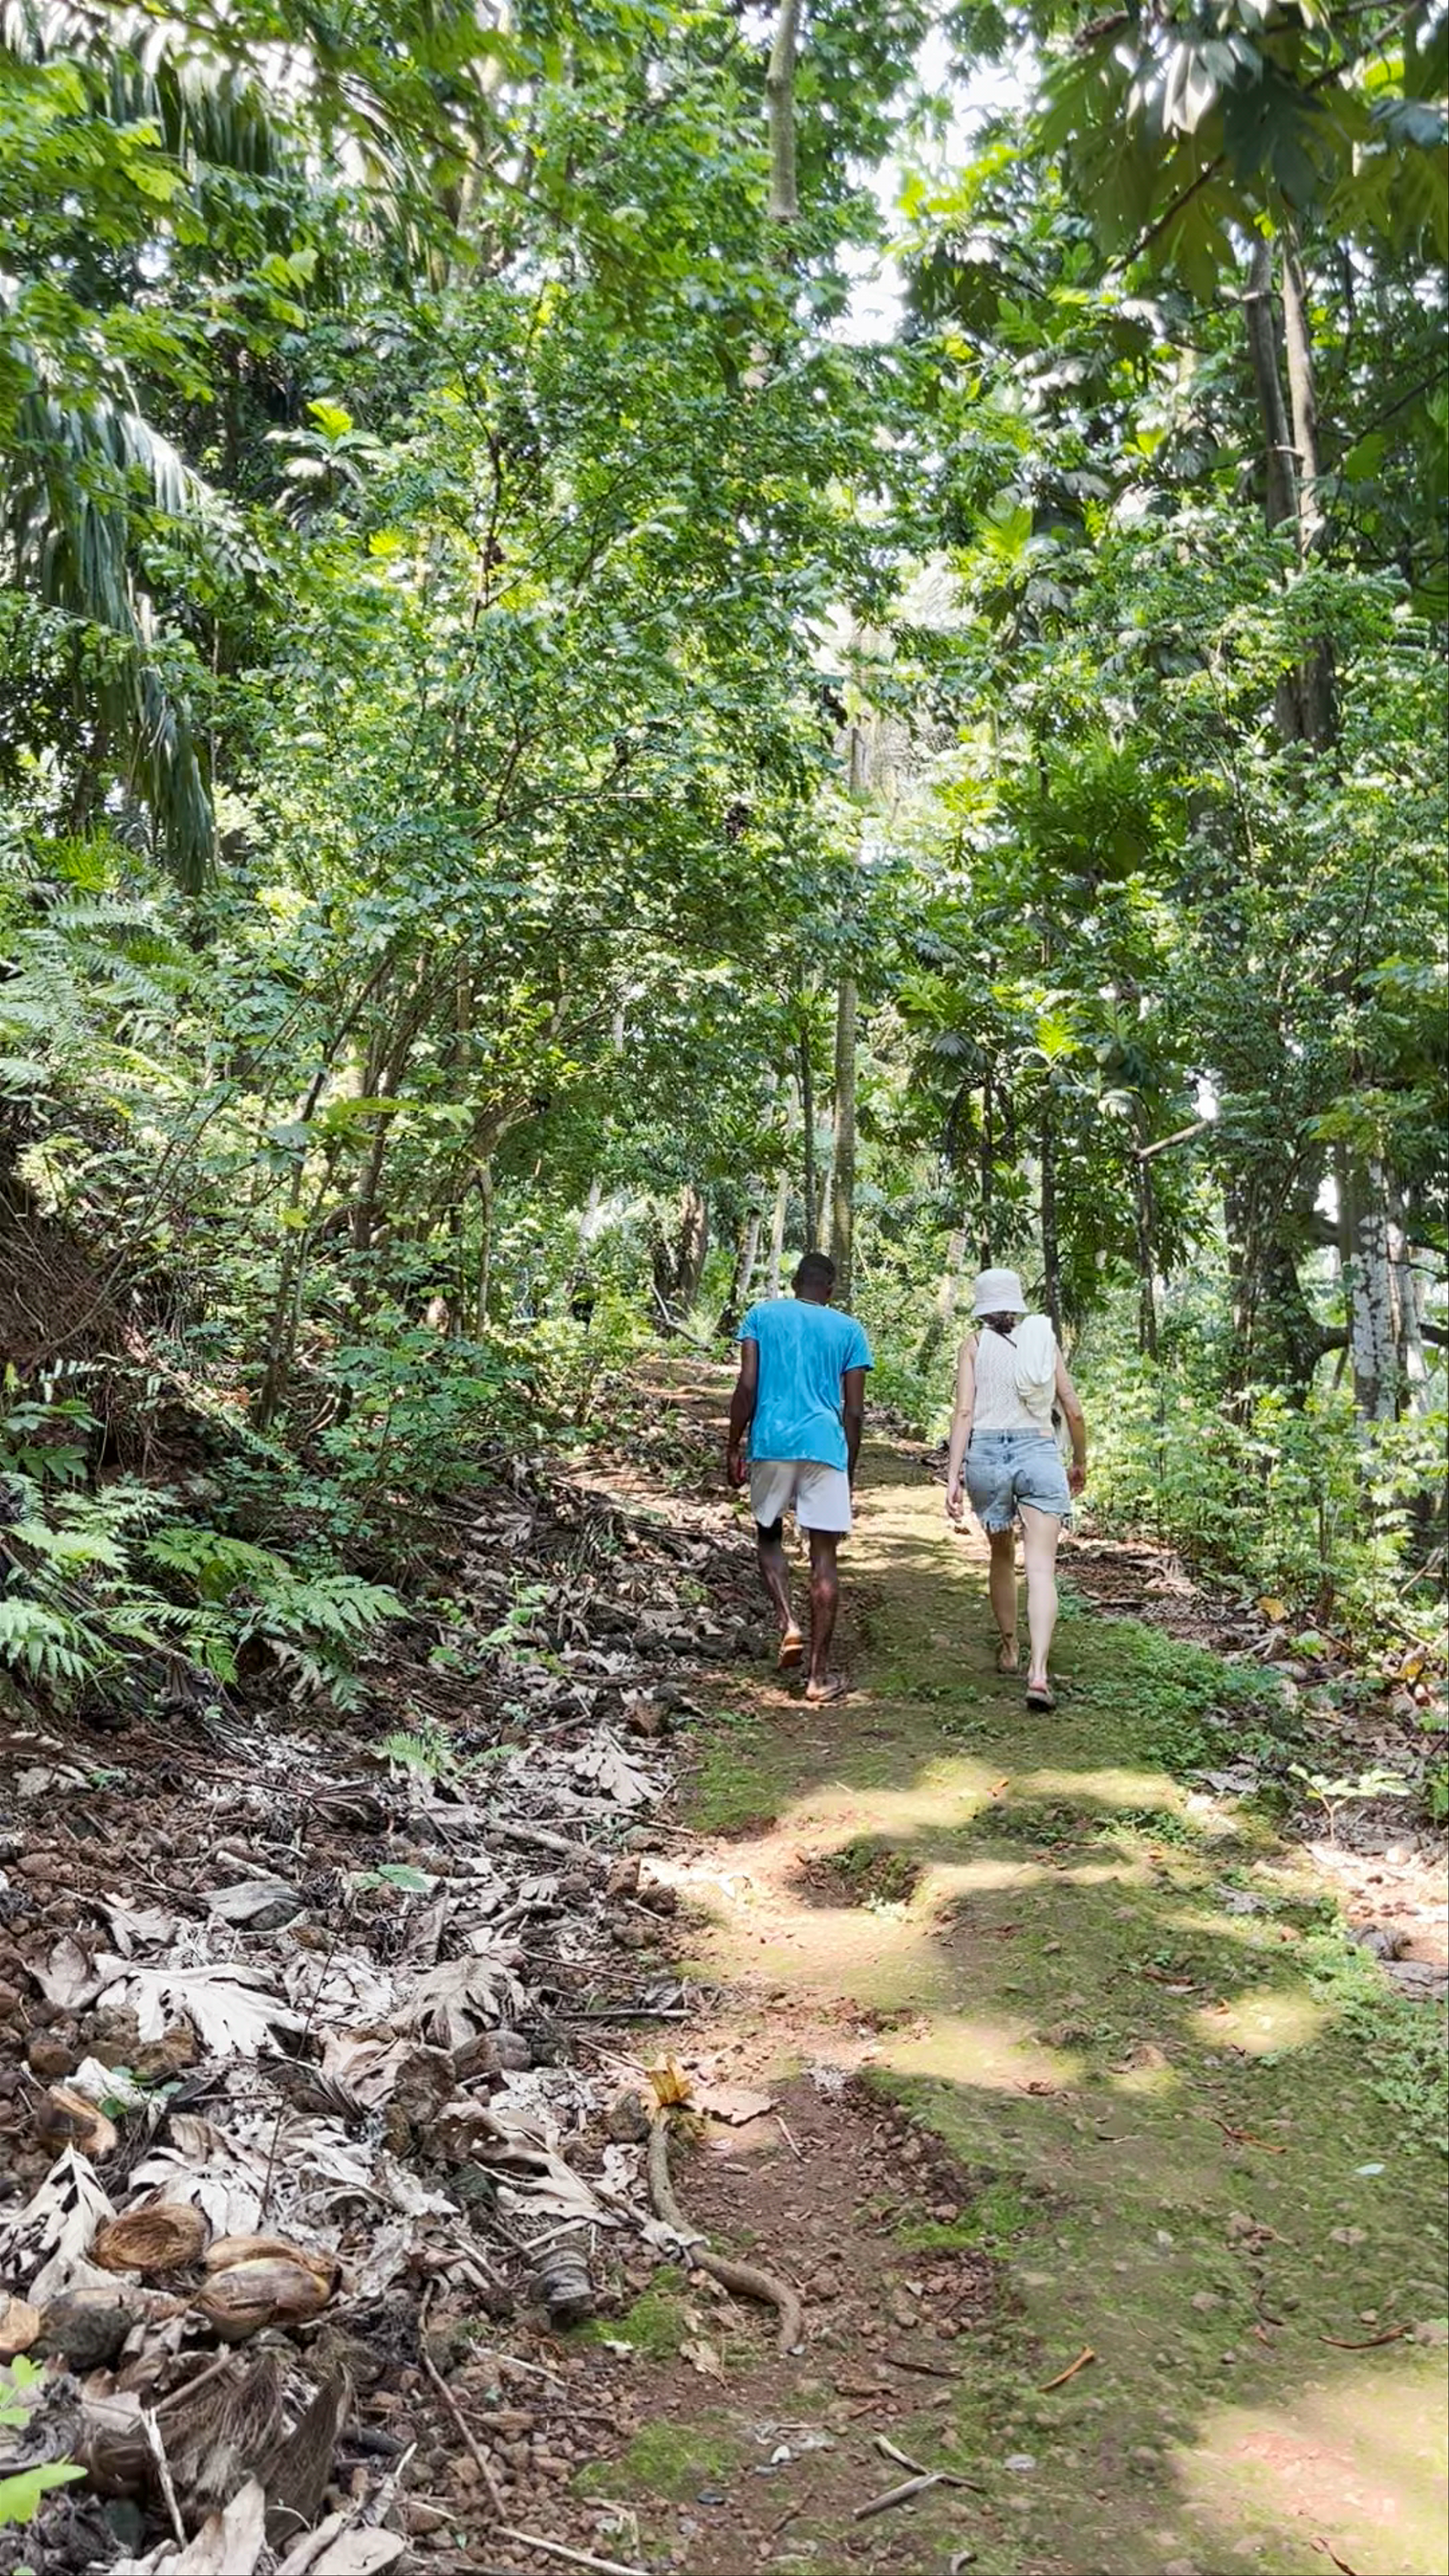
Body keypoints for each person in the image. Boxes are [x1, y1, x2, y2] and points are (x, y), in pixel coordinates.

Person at [726, 1251, 871, 1704]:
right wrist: (848, 1469)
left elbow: (747, 1387)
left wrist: (733, 1443)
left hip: (771, 1440)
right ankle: (818, 1677)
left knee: (768, 1535)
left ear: (794, 1283)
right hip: (825, 1445)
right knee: (823, 1556)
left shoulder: (760, 1317)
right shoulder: (849, 1330)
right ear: (830, 1289)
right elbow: (854, 1410)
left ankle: (788, 1622)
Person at [944, 1266, 1087, 1713]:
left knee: (1002, 1555)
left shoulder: (974, 1344)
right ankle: (1039, 1673)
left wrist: (953, 1475)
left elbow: (964, 1413)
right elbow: (1073, 1409)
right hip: (1040, 1452)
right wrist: (1080, 1460)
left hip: (986, 1454)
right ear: (1017, 1303)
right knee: (1042, 1569)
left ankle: (1010, 1650)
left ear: (983, 1307)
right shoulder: (1043, 1338)